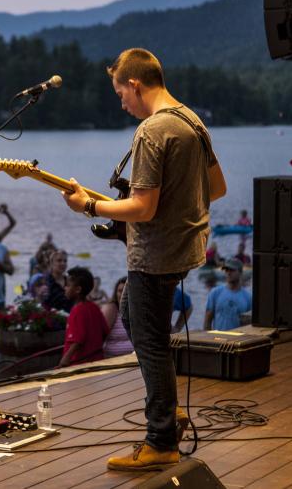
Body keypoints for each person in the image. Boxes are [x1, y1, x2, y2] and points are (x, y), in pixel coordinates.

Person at [62, 48, 226, 471]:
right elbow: (218, 187)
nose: (121, 103)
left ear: (135, 84)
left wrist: (89, 207)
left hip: (154, 255)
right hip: (185, 249)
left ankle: (161, 441)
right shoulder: (193, 120)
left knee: (150, 342)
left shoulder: (152, 131)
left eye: (121, 93)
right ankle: (168, 412)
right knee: (133, 318)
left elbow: (142, 208)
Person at [58, 267, 109, 367]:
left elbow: (77, 341)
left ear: (78, 289)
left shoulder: (77, 311)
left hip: (79, 365)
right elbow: (105, 331)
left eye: (68, 285)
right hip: (98, 361)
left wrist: (64, 360)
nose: (65, 288)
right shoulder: (94, 307)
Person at [203, 259, 251, 331]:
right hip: (217, 339)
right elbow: (207, 321)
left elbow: (249, 325)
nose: (228, 273)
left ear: (240, 272)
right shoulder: (215, 293)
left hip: (236, 340)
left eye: (232, 270)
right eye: (226, 270)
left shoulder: (248, 297)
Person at [102, 277, 134, 357]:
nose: (123, 294)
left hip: (135, 359)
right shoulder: (111, 309)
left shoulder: (138, 311)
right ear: (115, 293)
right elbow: (100, 336)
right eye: (120, 291)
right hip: (114, 359)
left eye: (126, 290)